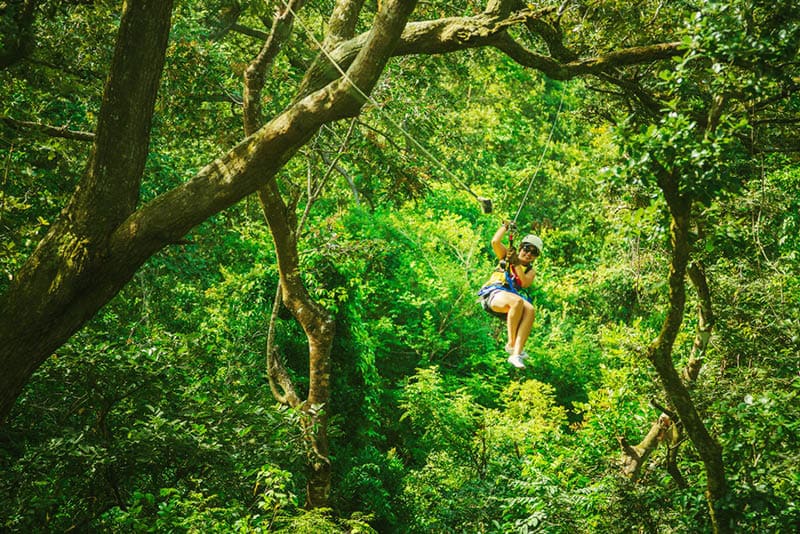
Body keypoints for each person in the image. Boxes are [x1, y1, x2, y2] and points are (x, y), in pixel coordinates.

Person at [477, 222, 542, 368]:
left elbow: (524, 283)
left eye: (533, 252)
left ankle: (516, 354)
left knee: (530, 310)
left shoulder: (530, 271)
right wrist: (505, 227)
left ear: (535, 257)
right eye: (526, 249)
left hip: (510, 296)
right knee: (517, 302)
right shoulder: (506, 255)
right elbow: (495, 242)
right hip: (494, 293)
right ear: (521, 248)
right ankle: (511, 344)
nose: (529, 253)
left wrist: (517, 264)